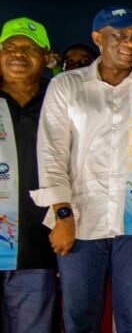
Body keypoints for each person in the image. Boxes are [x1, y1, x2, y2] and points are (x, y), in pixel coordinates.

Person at [30, 6, 132, 332]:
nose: (130, 43)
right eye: (120, 35)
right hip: (80, 223)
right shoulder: (67, 87)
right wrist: (61, 215)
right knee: (80, 319)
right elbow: (52, 154)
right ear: (97, 38)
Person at [0, 17, 60, 332]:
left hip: (37, 249)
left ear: (47, 57)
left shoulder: (59, 100)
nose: (18, 54)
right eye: (10, 46)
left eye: (30, 48)